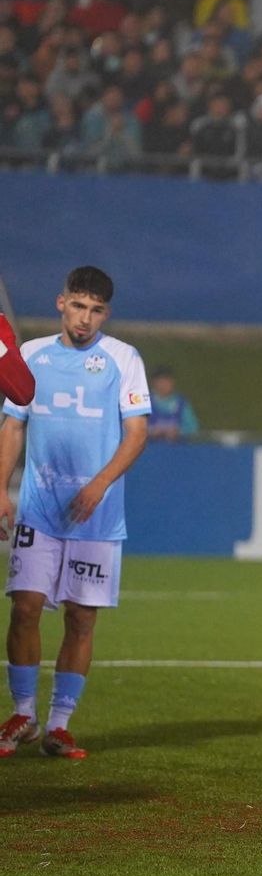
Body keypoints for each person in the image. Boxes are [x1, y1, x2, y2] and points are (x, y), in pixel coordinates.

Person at [0, 267, 149, 760]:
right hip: (40, 508)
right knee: (24, 607)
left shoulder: (123, 359)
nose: (85, 318)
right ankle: (24, 713)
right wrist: (1, 488)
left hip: (97, 517)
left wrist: (100, 484)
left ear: (105, 313)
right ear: (61, 302)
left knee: (81, 619)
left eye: (96, 310)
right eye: (78, 306)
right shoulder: (32, 355)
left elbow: (136, 434)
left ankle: (59, 726)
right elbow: (13, 427)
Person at [147, 366, 200, 440]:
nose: (164, 385)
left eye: (167, 381)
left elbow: (193, 428)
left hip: (176, 448)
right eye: (161, 381)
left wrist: (178, 431)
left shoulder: (181, 402)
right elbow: (134, 427)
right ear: (154, 383)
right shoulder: (145, 402)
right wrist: (151, 431)